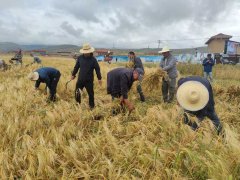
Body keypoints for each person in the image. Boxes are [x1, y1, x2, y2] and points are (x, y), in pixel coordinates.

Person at [71, 43, 102, 109]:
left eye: (87, 52)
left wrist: (99, 78)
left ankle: (91, 107)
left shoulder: (93, 59)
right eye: (85, 52)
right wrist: (73, 74)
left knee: (91, 94)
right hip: (80, 79)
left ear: (90, 51)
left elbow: (97, 69)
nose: (86, 53)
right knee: (77, 93)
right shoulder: (80, 58)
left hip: (89, 80)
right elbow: (76, 67)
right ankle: (77, 105)